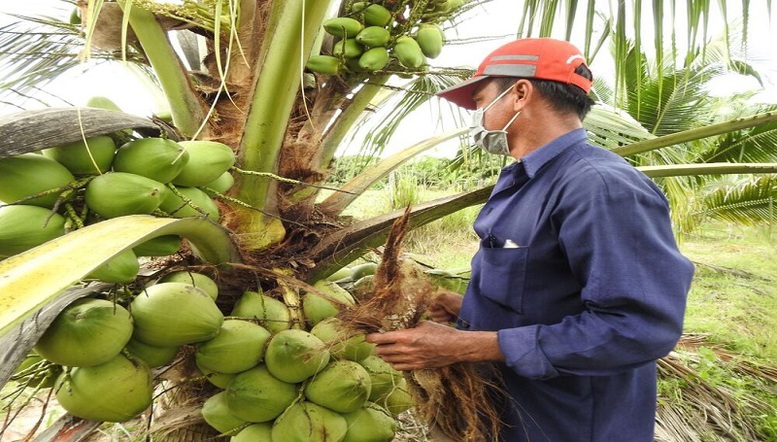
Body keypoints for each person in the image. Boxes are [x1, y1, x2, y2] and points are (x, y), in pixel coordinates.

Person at [365, 38, 695, 442]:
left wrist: (467, 347)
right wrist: (469, 310)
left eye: (482, 99)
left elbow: (637, 328)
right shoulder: (526, 181)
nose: (479, 117)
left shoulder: (600, 188)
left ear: (520, 92)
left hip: (563, 421)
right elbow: (541, 286)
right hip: (504, 409)